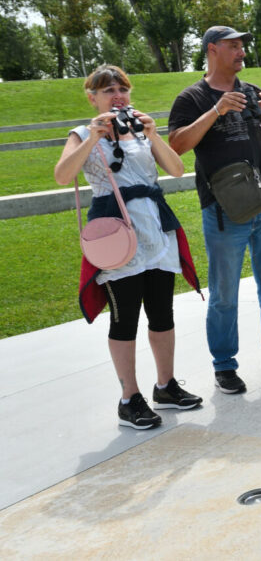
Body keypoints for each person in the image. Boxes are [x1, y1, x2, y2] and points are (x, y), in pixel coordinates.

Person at [168, 26, 261, 396]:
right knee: (224, 292)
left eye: (242, 46)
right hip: (224, 210)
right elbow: (177, 145)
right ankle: (224, 365)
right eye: (233, 46)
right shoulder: (192, 97)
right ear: (212, 49)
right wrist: (216, 111)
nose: (241, 52)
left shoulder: (251, 92)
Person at [55, 65, 203, 429]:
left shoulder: (140, 130)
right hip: (117, 238)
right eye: (108, 91)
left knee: (162, 312)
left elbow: (177, 169)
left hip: (154, 229)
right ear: (93, 98)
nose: (117, 96)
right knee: (125, 319)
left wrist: (152, 134)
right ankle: (128, 398)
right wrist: (92, 138)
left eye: (122, 89)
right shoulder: (80, 133)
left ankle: (165, 386)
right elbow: (62, 175)